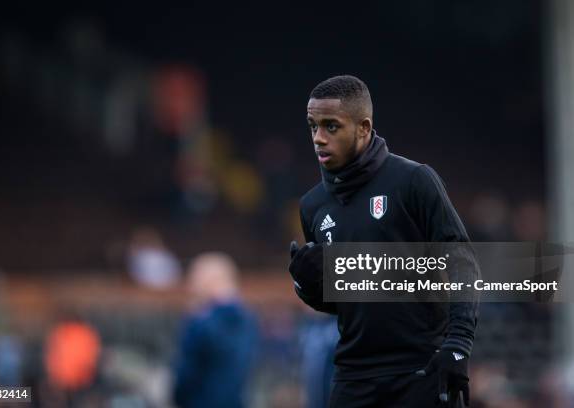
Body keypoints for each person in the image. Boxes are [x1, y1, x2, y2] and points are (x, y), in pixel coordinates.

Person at [288, 75, 479, 407]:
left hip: (421, 367)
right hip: (354, 376)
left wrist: (458, 344)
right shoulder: (312, 206)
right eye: (312, 126)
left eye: (331, 126)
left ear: (363, 128)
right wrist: (310, 288)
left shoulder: (413, 181)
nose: (318, 138)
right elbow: (345, 302)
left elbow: (463, 262)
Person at [173, 252, 258, 408]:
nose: (190, 286)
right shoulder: (249, 320)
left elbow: (185, 377)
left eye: (194, 279)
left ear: (207, 281)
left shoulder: (200, 322)